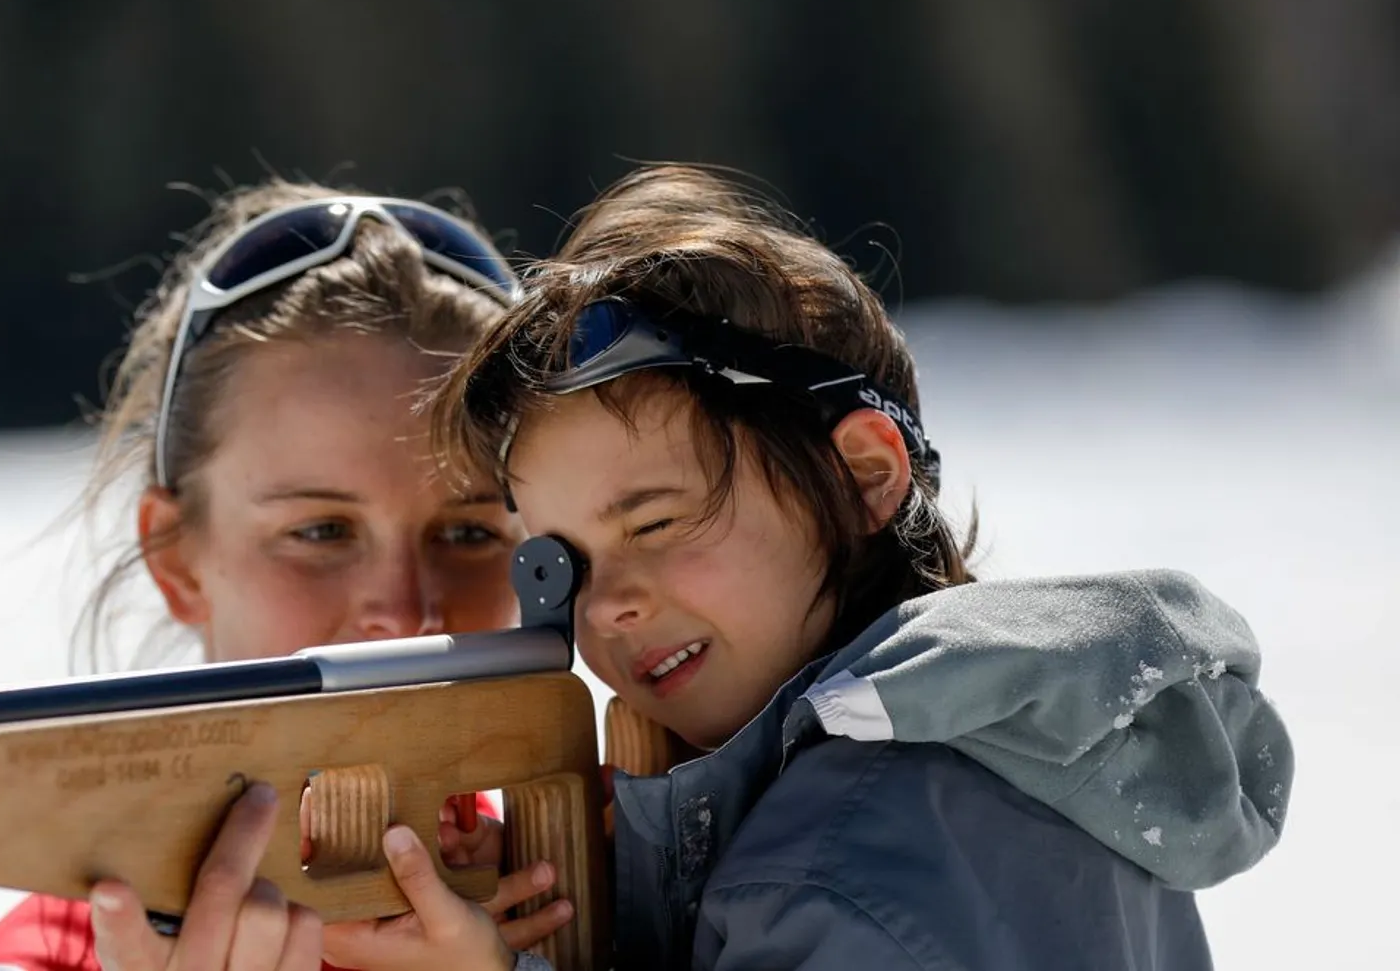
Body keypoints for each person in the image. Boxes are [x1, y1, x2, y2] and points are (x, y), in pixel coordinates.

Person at [390, 163, 1293, 969]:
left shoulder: (848, 866)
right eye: (565, 564)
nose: (609, 606)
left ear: (864, 474)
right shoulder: (1012, 751)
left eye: (657, 522)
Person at [0, 180, 572, 971]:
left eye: (469, 531)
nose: (406, 610)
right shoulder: (55, 955)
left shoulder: (637, 883)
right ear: (176, 559)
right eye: (320, 531)